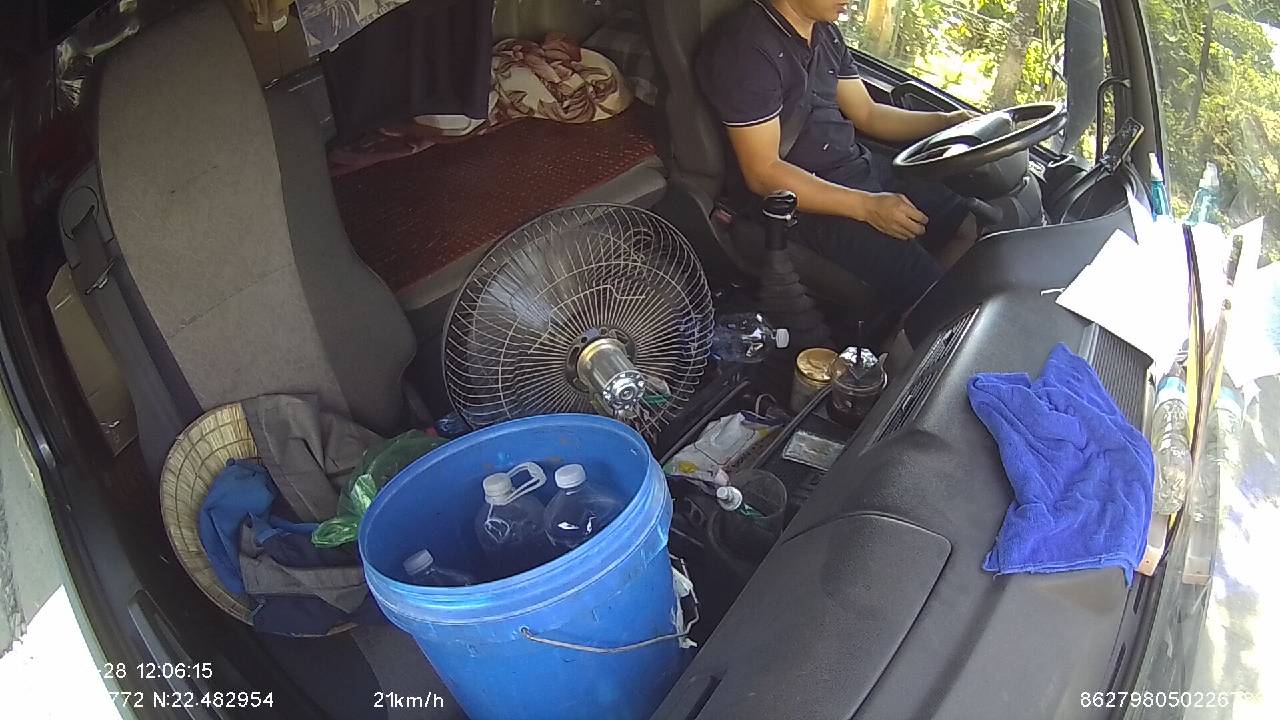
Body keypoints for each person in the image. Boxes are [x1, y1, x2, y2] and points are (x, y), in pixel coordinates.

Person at [698, 0, 978, 309]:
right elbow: (762, 172)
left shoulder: (825, 33)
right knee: (937, 295)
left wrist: (946, 121)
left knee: (967, 225)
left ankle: (906, 317)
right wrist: (867, 206)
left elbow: (868, 114)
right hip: (799, 200)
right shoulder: (746, 49)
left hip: (853, 166)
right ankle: (916, 323)